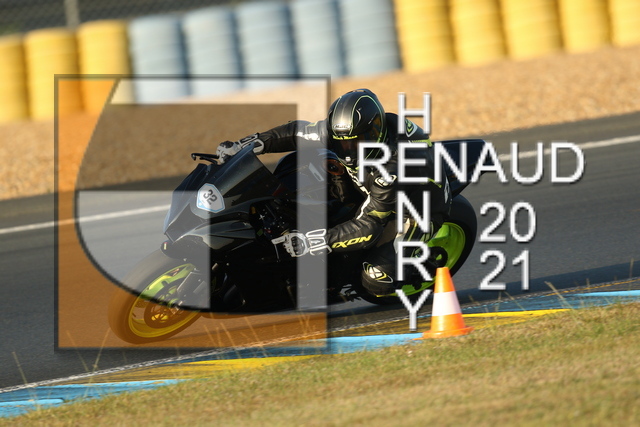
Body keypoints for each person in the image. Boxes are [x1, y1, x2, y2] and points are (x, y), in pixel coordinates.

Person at [216, 88, 451, 297]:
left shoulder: (392, 169)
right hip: (370, 185)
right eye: (343, 142)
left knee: (375, 280)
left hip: (414, 208)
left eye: (356, 142)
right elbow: (297, 132)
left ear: (375, 132)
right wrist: (247, 144)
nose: (348, 149)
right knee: (299, 166)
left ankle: (417, 266)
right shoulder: (347, 131)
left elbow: (369, 225)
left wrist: (312, 242)